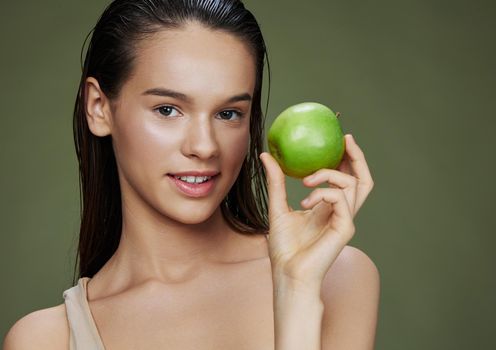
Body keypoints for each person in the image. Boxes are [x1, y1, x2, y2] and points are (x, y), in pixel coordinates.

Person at [3, 0, 379, 349]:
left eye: (228, 113)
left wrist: (295, 289)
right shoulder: (45, 339)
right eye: (168, 109)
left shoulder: (336, 278)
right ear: (99, 108)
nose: (205, 146)